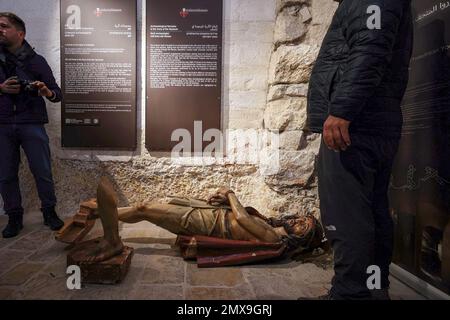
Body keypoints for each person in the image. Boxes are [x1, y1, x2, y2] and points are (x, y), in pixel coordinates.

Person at [304, 0, 413, 300]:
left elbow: (371, 51)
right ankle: (374, 289)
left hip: (355, 127)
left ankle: (350, 294)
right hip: (369, 124)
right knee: (371, 212)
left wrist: (341, 110)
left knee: (348, 216)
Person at [57, 177, 326, 265]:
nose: (301, 221)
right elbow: (240, 216)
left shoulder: (274, 239)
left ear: (301, 238)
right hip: (209, 214)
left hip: (204, 223)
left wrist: (231, 193)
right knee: (144, 209)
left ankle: (113, 240)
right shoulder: (271, 223)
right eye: (304, 219)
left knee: (145, 208)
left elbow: (242, 218)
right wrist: (225, 202)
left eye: (306, 227)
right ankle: (102, 215)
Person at [0, 12, 64, 238]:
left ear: (20, 33)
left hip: (32, 123)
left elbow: (57, 94)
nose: (0, 30)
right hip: (3, 124)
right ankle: (14, 217)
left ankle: (49, 212)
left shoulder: (37, 61)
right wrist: (1, 89)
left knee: (42, 171)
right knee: (5, 174)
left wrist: (46, 91)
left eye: (4, 26)